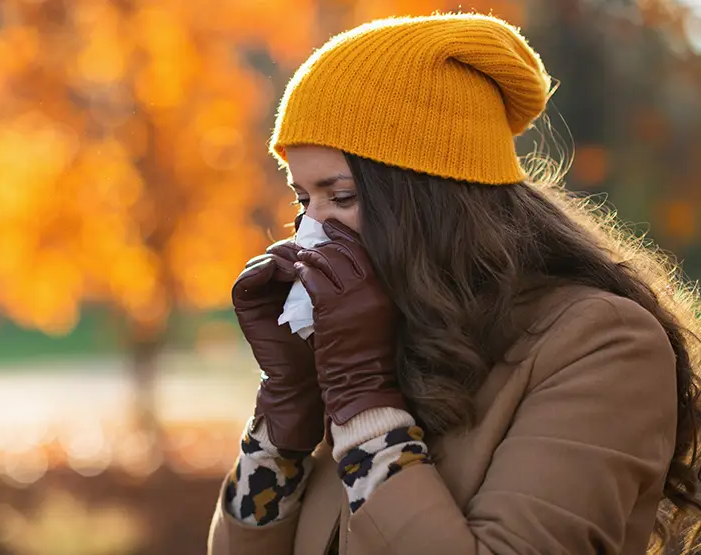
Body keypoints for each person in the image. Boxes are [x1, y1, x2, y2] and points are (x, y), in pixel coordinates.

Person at [207, 12, 701, 555]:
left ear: (432, 197)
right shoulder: (375, 338)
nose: (311, 232)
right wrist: (286, 415)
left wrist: (365, 407)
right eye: (304, 200)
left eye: (341, 197)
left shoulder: (601, 346)